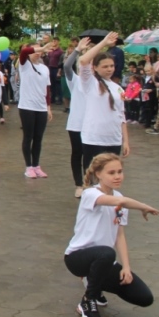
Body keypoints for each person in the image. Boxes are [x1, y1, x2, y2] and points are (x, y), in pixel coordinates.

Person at [64, 153, 157, 317]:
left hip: (104, 261)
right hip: (77, 258)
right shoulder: (90, 194)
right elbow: (120, 201)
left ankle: (94, 283)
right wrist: (143, 207)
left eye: (120, 172)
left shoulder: (121, 198)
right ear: (98, 174)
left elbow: (119, 235)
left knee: (144, 297)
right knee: (106, 253)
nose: (117, 176)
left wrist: (127, 268)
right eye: (111, 172)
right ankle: (88, 300)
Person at [78, 32, 129, 170]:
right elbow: (83, 61)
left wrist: (125, 141)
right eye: (105, 66)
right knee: (92, 178)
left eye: (111, 66)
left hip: (113, 139)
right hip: (94, 139)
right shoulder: (90, 82)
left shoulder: (118, 88)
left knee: (110, 176)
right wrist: (104, 43)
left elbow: (121, 116)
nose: (109, 69)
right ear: (95, 67)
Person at [18, 42, 54, 178]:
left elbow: (48, 90)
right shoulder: (24, 65)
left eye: (40, 50)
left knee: (38, 138)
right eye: (35, 50)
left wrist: (48, 108)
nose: (38, 52)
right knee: (28, 137)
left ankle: (36, 165)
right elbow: (23, 52)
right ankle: (29, 167)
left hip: (41, 108)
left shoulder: (45, 68)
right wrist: (42, 48)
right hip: (27, 107)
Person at [65, 37, 91, 198]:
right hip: (76, 124)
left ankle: (89, 183)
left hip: (91, 125)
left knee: (90, 155)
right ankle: (79, 184)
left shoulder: (97, 82)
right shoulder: (75, 80)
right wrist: (77, 50)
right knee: (77, 154)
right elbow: (67, 66)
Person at [47, 37, 64, 104]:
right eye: (53, 41)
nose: (54, 42)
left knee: (58, 84)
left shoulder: (60, 51)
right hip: (50, 67)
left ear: (58, 42)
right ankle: (52, 98)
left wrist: (59, 70)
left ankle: (60, 98)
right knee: (51, 84)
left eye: (55, 41)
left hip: (56, 68)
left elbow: (61, 61)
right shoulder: (50, 50)